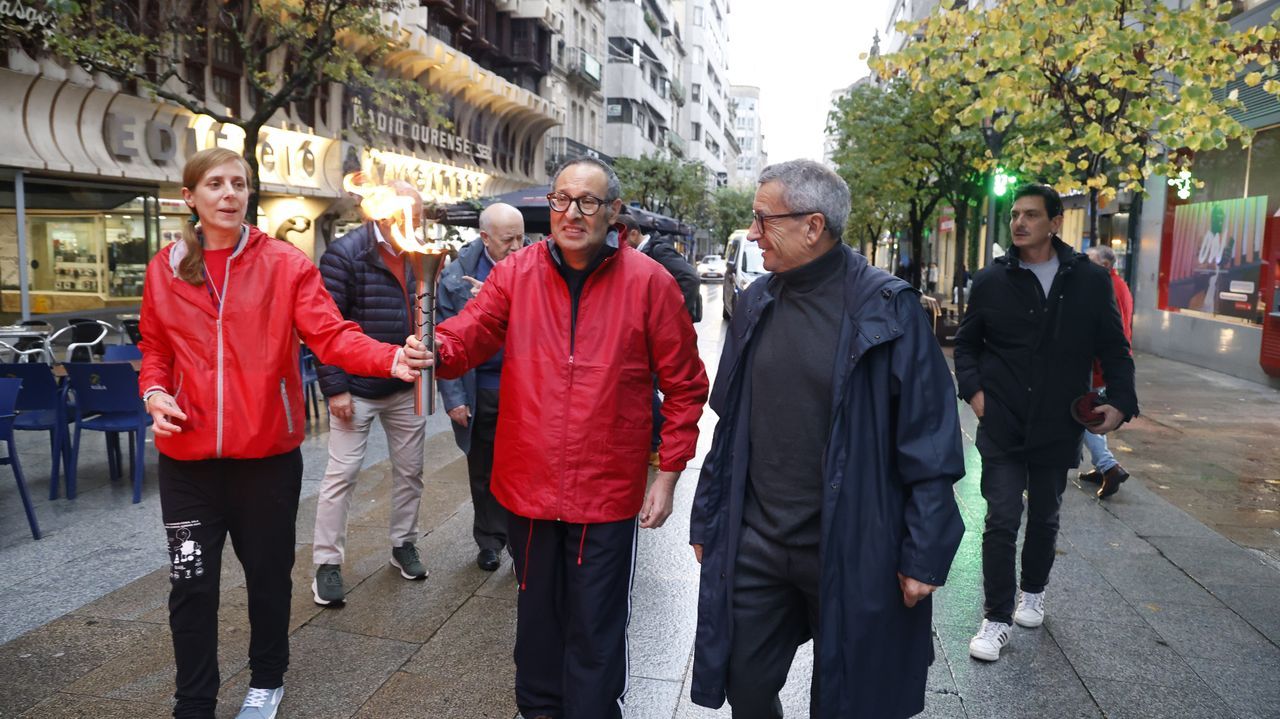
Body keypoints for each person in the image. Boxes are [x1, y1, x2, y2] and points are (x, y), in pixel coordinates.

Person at [139, 147, 429, 719]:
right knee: (190, 582)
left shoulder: (283, 263)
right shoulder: (164, 267)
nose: (229, 194)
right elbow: (155, 346)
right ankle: (193, 701)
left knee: (268, 578)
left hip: (266, 460)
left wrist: (389, 357)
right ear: (190, 197)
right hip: (187, 464)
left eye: (239, 183)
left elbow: (331, 334)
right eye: (216, 184)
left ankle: (267, 679)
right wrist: (154, 391)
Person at [432, 156, 709, 719]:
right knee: (536, 621)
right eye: (561, 200)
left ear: (614, 212)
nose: (572, 213)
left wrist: (668, 475)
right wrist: (434, 348)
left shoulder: (649, 283)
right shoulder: (516, 273)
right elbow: (470, 333)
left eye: (587, 201)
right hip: (528, 484)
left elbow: (685, 385)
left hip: (605, 490)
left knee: (596, 625)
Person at [689, 160, 966, 719]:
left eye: (764, 220)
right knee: (745, 684)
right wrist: (708, 518)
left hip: (855, 544)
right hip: (758, 542)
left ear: (813, 225)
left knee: (850, 698)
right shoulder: (756, 301)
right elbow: (729, 423)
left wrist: (925, 551)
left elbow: (931, 441)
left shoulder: (888, 309)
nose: (753, 233)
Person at [954, 184, 1138, 663]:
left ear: (1055, 223)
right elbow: (967, 345)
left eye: (1031, 215)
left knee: (1045, 515)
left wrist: (1121, 401)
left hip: (1058, 420)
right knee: (1000, 518)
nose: (1019, 222)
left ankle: (1032, 592)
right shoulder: (991, 280)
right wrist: (976, 395)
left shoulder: (1089, 281)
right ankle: (996, 618)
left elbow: (1114, 347)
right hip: (1002, 419)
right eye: (1015, 214)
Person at [310, 181, 430, 607]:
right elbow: (324, 328)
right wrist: (335, 388)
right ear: (381, 211)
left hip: (405, 385)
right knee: (341, 476)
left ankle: (403, 544)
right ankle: (327, 563)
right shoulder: (345, 254)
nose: (412, 220)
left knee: (411, 472)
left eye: (418, 212)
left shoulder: (418, 250)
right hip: (356, 387)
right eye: (406, 211)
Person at [436, 202, 526, 571]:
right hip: (481, 386)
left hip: (524, 386)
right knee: (483, 469)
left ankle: (523, 545)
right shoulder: (456, 276)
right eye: (508, 240)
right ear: (485, 238)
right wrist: (454, 398)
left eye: (521, 238)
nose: (517, 247)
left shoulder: (535, 266)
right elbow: (443, 335)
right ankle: (489, 541)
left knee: (523, 470)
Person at [618, 213, 701, 465]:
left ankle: (657, 442)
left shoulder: (658, 250)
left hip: (658, 333)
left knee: (650, 387)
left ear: (633, 234)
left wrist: (673, 316)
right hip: (646, 332)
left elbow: (689, 277)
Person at [1079, 245, 1135, 498]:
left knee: (1083, 413)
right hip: (1100, 364)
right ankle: (1104, 466)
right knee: (1088, 413)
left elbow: (1113, 332)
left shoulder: (1108, 286)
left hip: (1098, 365)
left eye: (1089, 261)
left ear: (1104, 265)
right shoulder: (1114, 284)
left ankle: (1109, 467)